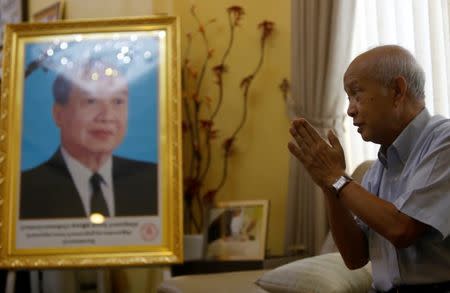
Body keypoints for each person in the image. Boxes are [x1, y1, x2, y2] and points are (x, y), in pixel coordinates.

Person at [288, 45, 450, 292]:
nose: (350, 109)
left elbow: (402, 229)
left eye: (356, 94)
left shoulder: (443, 141)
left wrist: (337, 178)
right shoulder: (378, 169)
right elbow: (355, 258)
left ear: (397, 90)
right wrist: (329, 186)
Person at [20, 59, 158, 219]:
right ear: (58, 114)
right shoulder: (24, 189)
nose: (107, 116)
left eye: (118, 101)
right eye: (91, 101)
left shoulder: (153, 182)